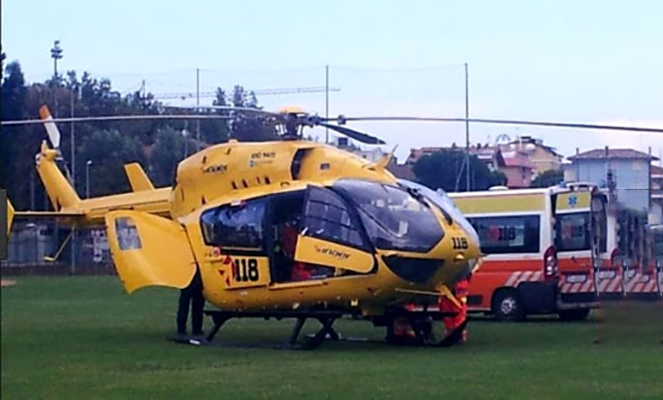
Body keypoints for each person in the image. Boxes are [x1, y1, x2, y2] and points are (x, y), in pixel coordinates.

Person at [439, 275, 470, 344]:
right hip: (447, 289)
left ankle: (459, 335)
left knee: (458, 315)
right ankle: (451, 334)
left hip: (457, 289)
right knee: (448, 315)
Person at [177, 267, 205, 337]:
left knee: (184, 306)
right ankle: (196, 329)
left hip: (187, 281)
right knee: (197, 307)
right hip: (198, 281)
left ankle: (182, 329)